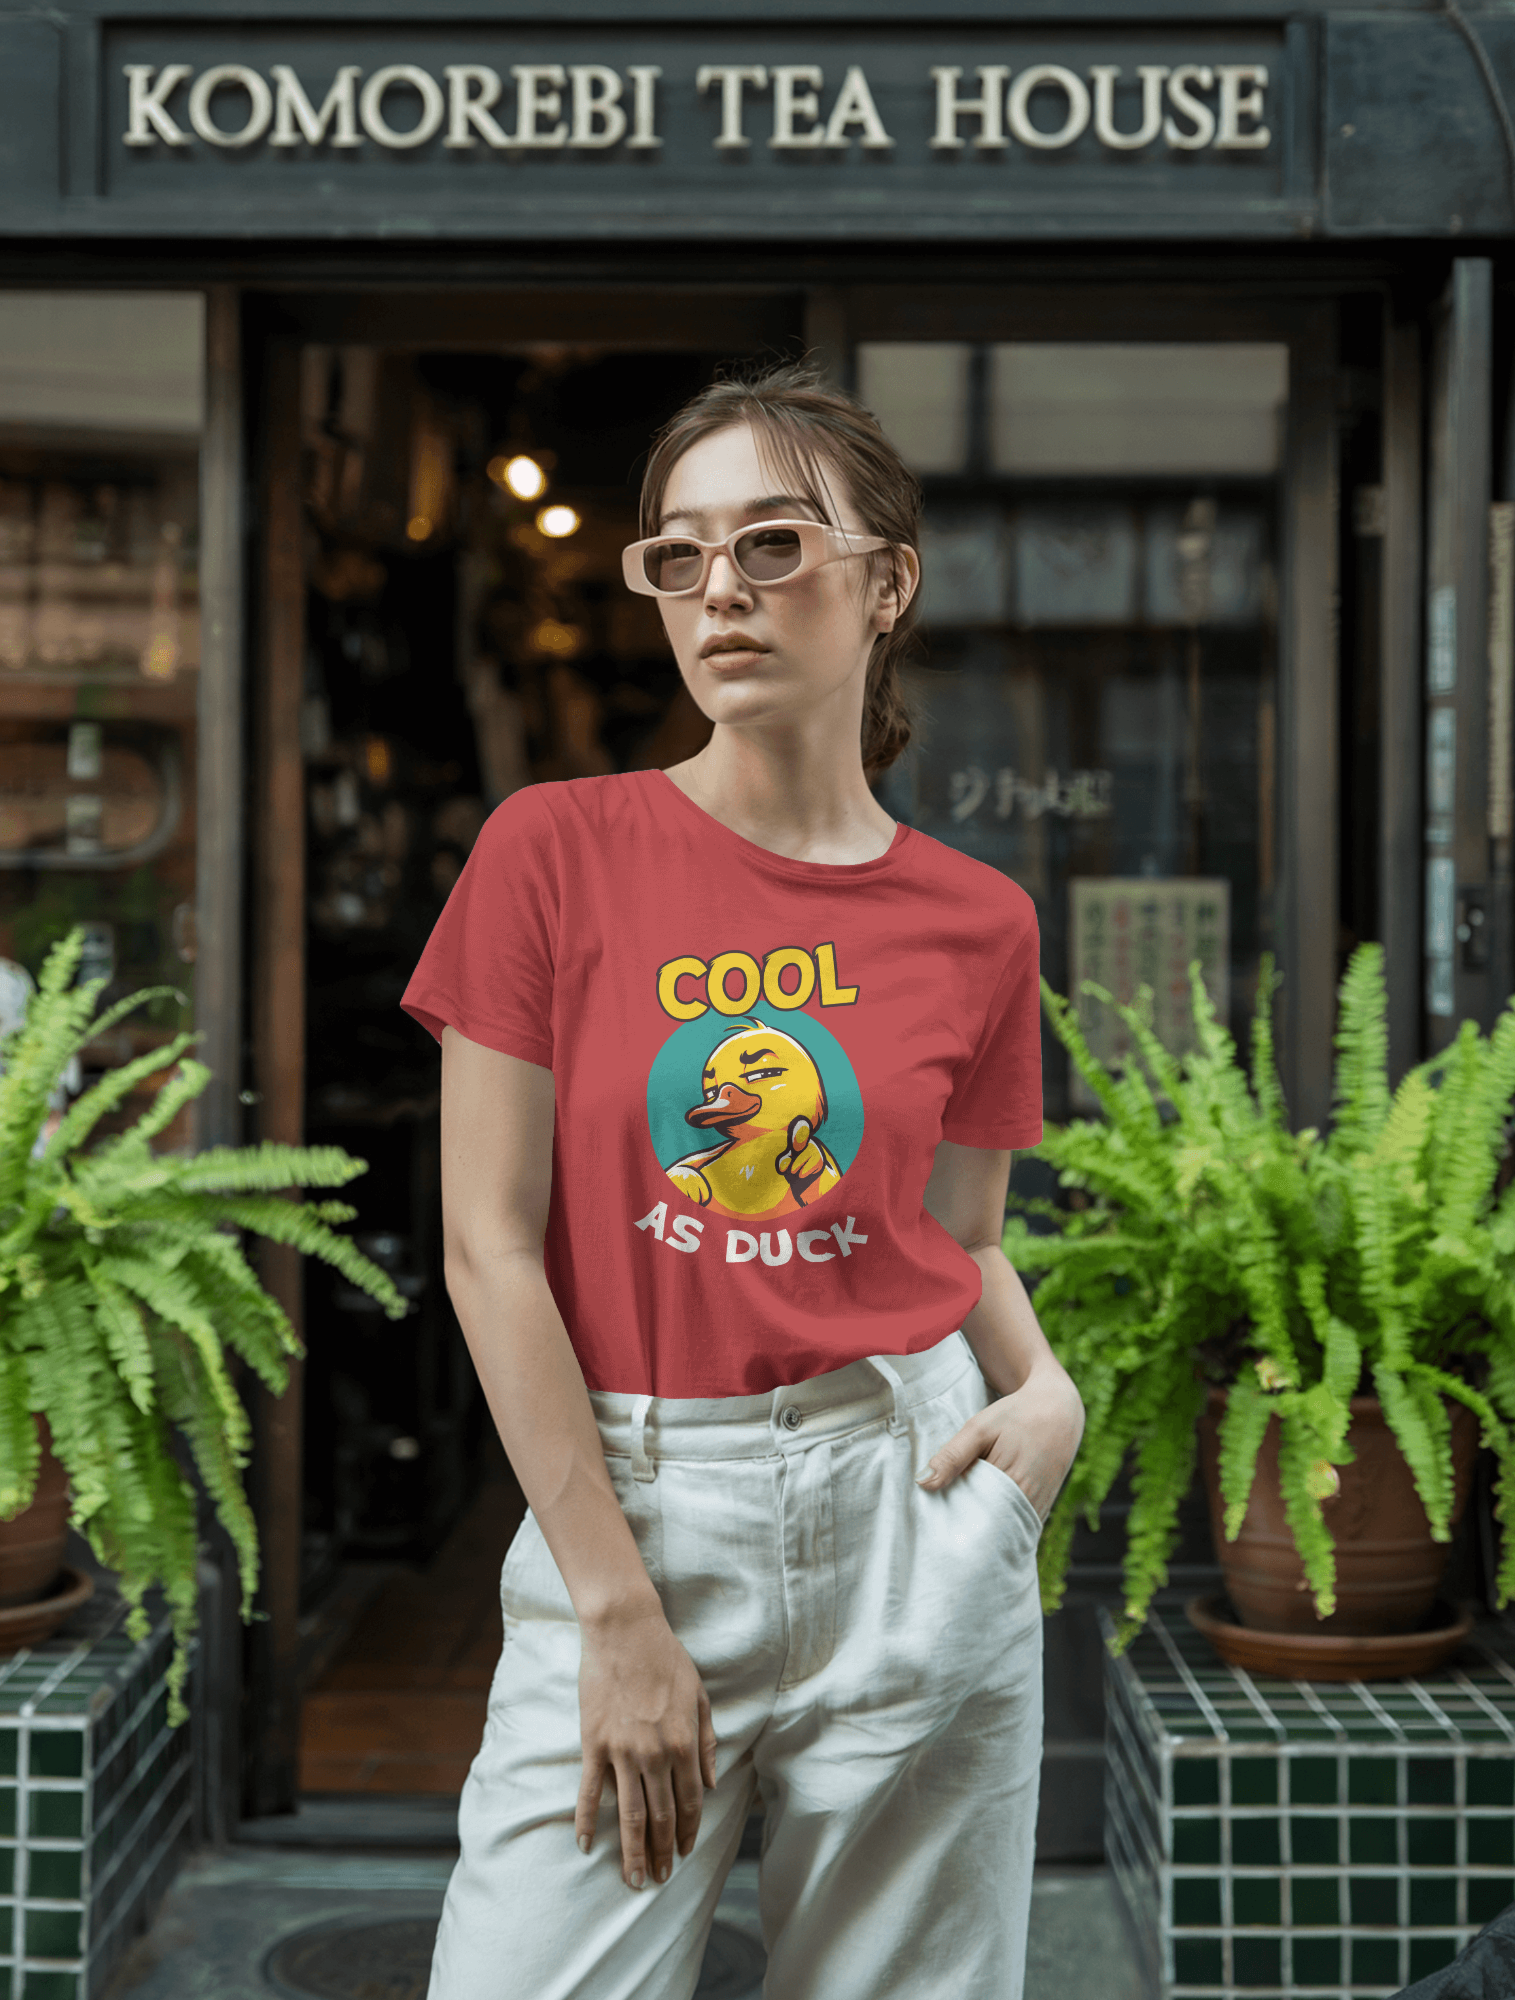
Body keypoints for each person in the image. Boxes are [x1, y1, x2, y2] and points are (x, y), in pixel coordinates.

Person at [401, 360, 1086, 2000]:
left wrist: (1047, 1393)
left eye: (774, 543)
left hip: (913, 1503)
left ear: (886, 584)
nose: (720, 588)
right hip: (641, 1508)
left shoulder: (979, 921)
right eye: (680, 553)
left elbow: (962, 1240)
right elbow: (490, 1249)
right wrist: (616, 1612)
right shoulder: (554, 851)